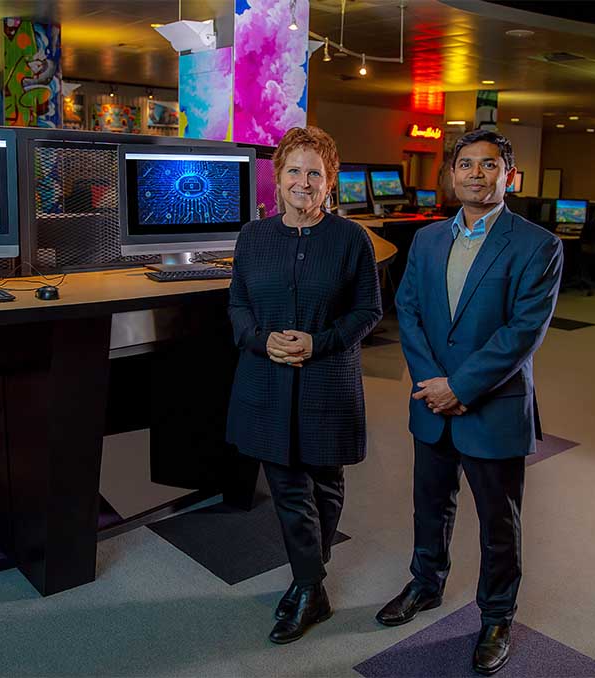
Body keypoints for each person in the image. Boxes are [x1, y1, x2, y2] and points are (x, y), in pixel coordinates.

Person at [376, 129, 563, 675]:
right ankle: (426, 583)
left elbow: (524, 330)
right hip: (430, 401)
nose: (476, 175)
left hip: (493, 405)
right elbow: (406, 311)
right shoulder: (430, 239)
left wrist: (460, 387)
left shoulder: (538, 244)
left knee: (498, 520)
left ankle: (497, 616)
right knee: (429, 505)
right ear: (450, 174)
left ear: (508, 175)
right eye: (465, 165)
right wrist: (434, 380)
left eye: (488, 165)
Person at [226, 126, 382, 644]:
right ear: (278, 177)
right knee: (288, 483)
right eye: (295, 170)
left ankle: (307, 578)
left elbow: (369, 310)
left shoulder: (351, 240)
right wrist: (258, 339)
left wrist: (321, 342)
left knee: (325, 480)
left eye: (315, 173)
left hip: (327, 378)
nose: (304, 181)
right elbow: (238, 305)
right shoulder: (253, 237)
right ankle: (312, 585)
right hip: (267, 378)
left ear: (330, 182)